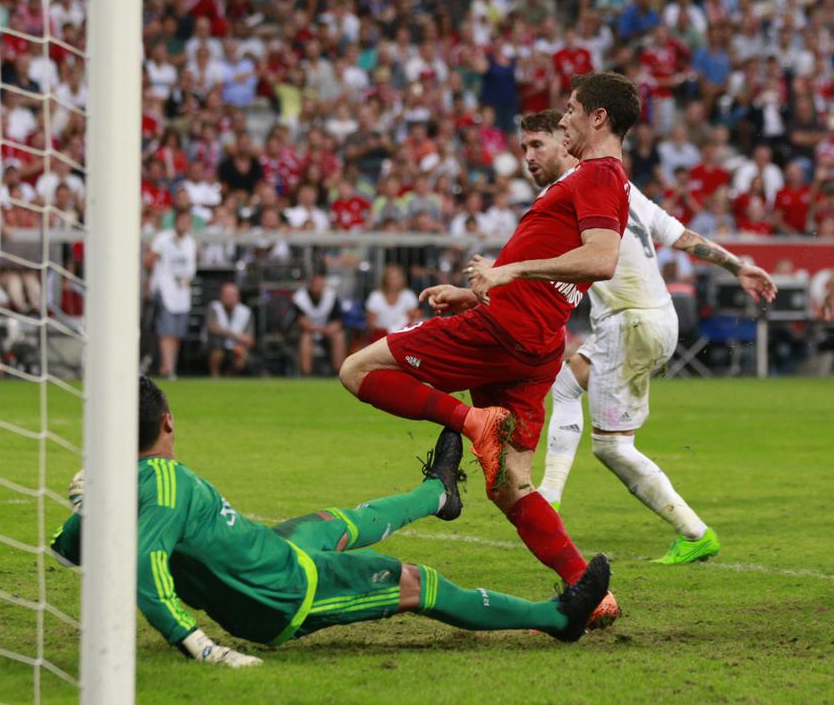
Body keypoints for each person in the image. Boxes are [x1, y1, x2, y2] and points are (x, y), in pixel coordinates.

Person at [337, 73, 641, 628]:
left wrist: (511, 272)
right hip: (536, 344)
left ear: (598, 118)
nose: (565, 118)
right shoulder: (592, 183)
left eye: (571, 110)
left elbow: (601, 260)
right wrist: (479, 287)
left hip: (505, 330)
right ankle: (591, 593)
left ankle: (472, 421)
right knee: (510, 484)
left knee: (357, 370)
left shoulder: (596, 175)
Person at [49, 378, 611, 666]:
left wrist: (87, 510)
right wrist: (199, 645)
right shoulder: (164, 486)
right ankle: (557, 617)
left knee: (331, 522)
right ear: (167, 421)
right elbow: (148, 573)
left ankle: (436, 493)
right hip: (285, 591)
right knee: (417, 582)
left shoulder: (125, 488)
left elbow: (71, 549)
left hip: (267, 551)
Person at [520, 109, 776, 563]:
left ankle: (694, 533)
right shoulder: (616, 182)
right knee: (565, 383)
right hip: (651, 318)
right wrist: (738, 265)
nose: (528, 156)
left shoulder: (574, 190)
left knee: (613, 446)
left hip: (630, 323)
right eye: (524, 148)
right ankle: (550, 497)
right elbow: (681, 236)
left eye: (538, 144)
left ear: (565, 144)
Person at [147, 213, 197, 380]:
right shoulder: (163, 238)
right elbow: (149, 260)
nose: (184, 224)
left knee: (176, 332)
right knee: (166, 330)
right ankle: (167, 366)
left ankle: (170, 366)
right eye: (181, 220)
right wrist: (150, 282)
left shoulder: (190, 242)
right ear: (175, 222)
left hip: (182, 291)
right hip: (166, 288)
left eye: (187, 221)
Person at [292, 275, 346, 376]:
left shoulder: (331, 296)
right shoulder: (300, 298)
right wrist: (320, 329)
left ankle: (338, 373)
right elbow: (302, 323)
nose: (318, 286)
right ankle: (306, 374)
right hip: (309, 331)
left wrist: (331, 328)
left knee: (339, 336)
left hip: (326, 331)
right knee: (305, 338)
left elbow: (338, 321)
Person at [204, 283, 254, 377]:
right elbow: (211, 327)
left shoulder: (245, 312)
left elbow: (249, 339)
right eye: (227, 295)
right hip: (216, 344)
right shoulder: (214, 307)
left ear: (238, 297)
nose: (230, 298)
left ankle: (229, 375)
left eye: (232, 295)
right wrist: (236, 336)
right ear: (221, 296)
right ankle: (215, 376)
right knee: (217, 350)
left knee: (242, 355)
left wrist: (240, 345)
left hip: (236, 347)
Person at [364, 264, 421, 343]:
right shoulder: (375, 297)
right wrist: (389, 329)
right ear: (385, 280)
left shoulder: (408, 295)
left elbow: (412, 319)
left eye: (397, 278)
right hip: (380, 336)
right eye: (392, 278)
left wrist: (397, 330)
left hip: (402, 335)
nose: (395, 281)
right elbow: (371, 325)